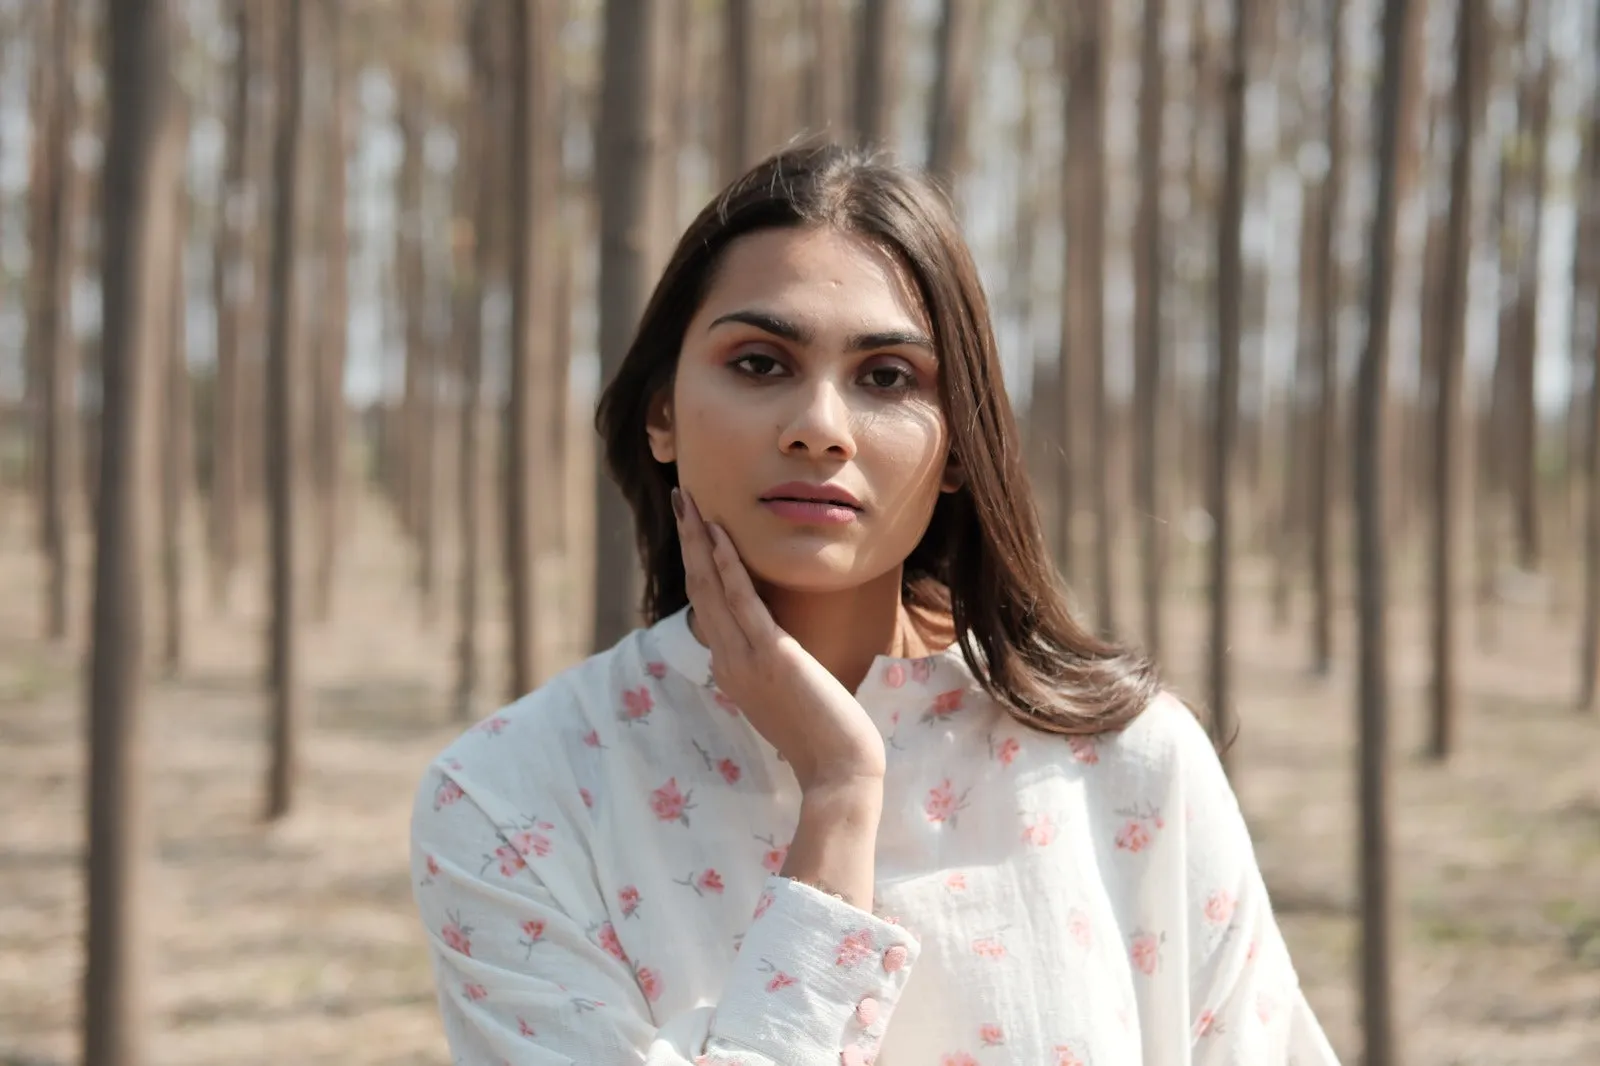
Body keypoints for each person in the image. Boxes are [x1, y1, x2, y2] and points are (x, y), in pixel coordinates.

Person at [410, 142, 1340, 1066]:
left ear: (959, 452)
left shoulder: (1127, 763)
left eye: (888, 378)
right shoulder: (512, 800)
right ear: (662, 414)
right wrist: (838, 793)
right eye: (761, 363)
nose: (819, 427)